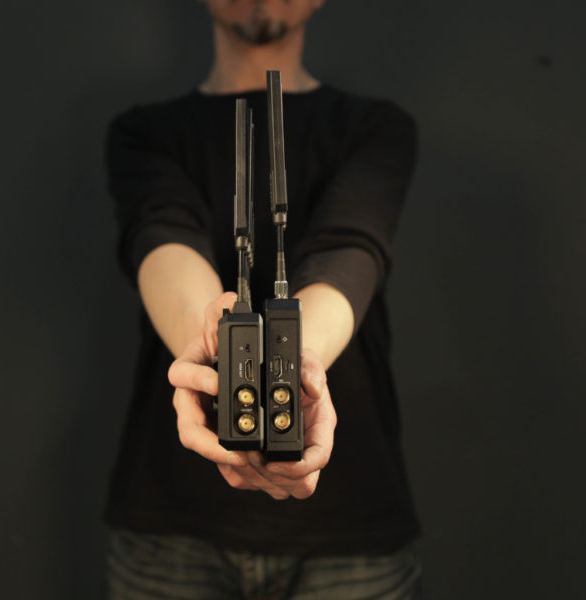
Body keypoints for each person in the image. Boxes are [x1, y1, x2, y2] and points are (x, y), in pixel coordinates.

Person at [104, 1, 422, 598]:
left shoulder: (375, 127)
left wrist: (297, 360)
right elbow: (162, 241)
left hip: (349, 527)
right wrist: (212, 343)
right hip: (171, 524)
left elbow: (349, 252)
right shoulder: (144, 132)